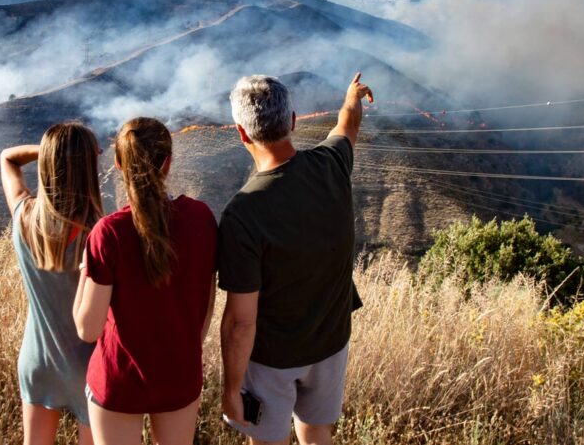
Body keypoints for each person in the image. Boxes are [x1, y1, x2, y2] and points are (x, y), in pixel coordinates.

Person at [218, 73, 373, 445]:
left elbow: (241, 322)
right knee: (318, 433)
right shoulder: (332, 164)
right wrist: (352, 97)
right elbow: (346, 124)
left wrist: (230, 388)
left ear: (242, 133)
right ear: (291, 121)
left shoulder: (242, 213)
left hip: (272, 358)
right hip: (331, 343)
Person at [73, 117, 218, 445]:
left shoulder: (108, 234)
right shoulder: (201, 218)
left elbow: (87, 329)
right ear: (168, 162)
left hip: (119, 381)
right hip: (179, 375)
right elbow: (205, 307)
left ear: (119, 164)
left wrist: (87, 266)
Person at [0, 123, 105, 445]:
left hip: (37, 359)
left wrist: (50, 152)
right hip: (86, 365)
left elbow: (7, 158)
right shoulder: (100, 234)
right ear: (88, 168)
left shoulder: (23, 217)